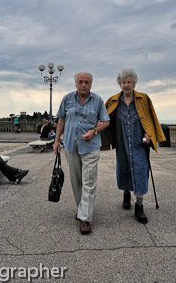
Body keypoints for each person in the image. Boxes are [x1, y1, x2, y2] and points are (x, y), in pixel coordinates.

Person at [102, 68, 166, 224]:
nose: (126, 85)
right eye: (123, 82)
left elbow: (150, 119)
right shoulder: (113, 100)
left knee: (140, 171)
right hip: (122, 142)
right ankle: (126, 193)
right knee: (124, 169)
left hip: (139, 143)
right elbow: (103, 118)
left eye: (129, 82)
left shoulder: (143, 99)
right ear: (120, 84)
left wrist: (149, 134)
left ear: (134, 83)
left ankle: (139, 206)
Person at [53, 71, 110, 235]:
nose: (83, 85)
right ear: (76, 84)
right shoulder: (67, 99)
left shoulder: (97, 100)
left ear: (91, 84)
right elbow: (61, 120)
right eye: (80, 82)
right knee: (76, 180)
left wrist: (94, 131)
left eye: (86, 82)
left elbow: (105, 121)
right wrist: (57, 141)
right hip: (71, 145)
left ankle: (85, 218)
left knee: (89, 181)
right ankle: (82, 209)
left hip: (91, 146)